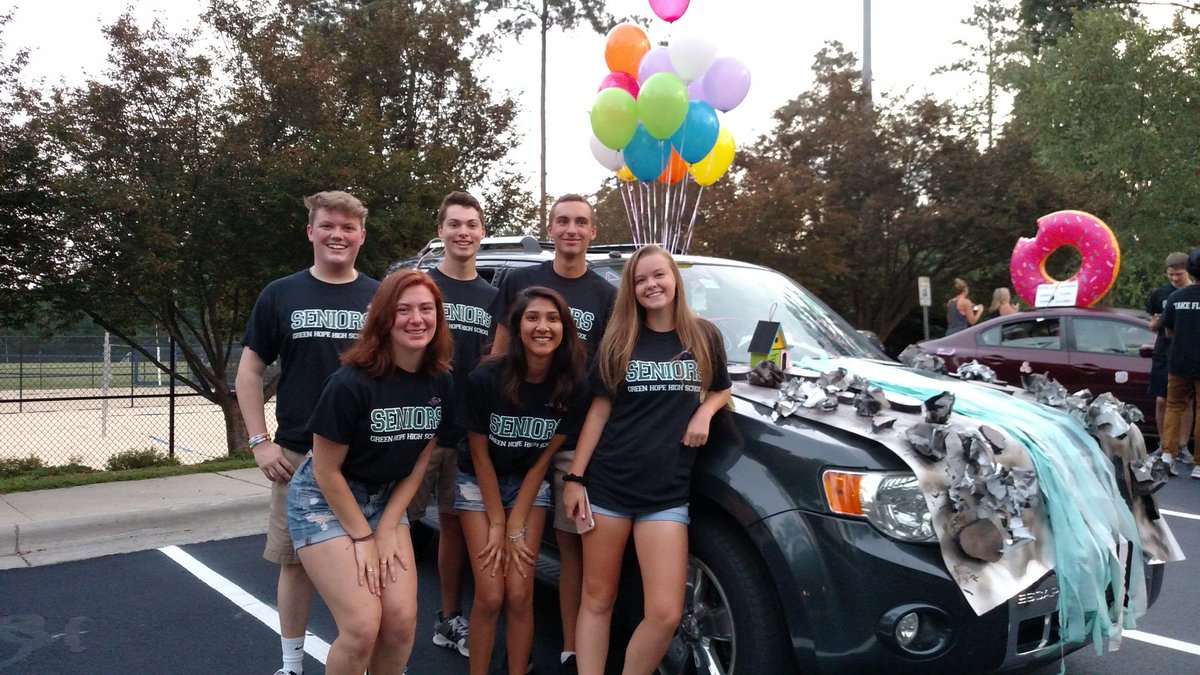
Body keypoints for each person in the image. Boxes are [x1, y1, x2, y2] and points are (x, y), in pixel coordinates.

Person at [563, 245, 732, 675]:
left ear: (675, 278)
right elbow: (599, 412)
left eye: (658, 275)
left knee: (665, 613)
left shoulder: (703, 337)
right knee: (598, 600)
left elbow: (721, 388)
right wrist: (576, 478)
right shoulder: (619, 342)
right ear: (631, 290)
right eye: (640, 280)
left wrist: (705, 411)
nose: (651, 285)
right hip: (608, 487)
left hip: (666, 494)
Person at [236, 190, 379, 675]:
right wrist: (260, 442)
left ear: (361, 235)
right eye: (328, 226)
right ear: (311, 231)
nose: (337, 235)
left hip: (367, 461)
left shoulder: (380, 297)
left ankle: (370, 657)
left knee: (371, 564)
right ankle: (292, 664)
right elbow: (249, 373)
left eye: (347, 227)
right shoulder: (281, 293)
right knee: (293, 566)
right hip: (297, 457)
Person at [287, 269, 454, 675]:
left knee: (398, 624)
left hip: (387, 500)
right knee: (362, 626)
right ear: (383, 318)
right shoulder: (350, 383)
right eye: (403, 310)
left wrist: (386, 526)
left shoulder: (441, 382)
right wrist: (363, 536)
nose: (417, 319)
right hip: (324, 501)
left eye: (426, 309)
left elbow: (417, 466)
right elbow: (326, 471)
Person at [489, 193, 616, 675]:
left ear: (592, 231)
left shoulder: (606, 295)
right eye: (562, 220)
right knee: (498, 540)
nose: (571, 229)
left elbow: (609, 366)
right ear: (550, 227)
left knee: (569, 544)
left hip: (569, 436)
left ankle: (569, 646)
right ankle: (495, 635)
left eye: (580, 222)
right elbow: (500, 353)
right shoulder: (522, 280)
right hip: (515, 429)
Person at [459, 287, 588, 675]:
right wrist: (498, 521)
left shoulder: (573, 384)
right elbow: (478, 455)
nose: (542, 327)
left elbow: (542, 462)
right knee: (490, 595)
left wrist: (515, 525)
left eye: (552, 319)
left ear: (565, 328)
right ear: (517, 327)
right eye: (532, 318)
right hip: (478, 485)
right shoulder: (487, 376)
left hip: (530, 485)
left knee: (519, 594)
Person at [405, 191, 498, 658]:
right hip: (415, 430)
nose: (464, 232)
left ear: (483, 232)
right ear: (440, 230)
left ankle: (448, 620)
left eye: (472, 224)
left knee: (453, 528)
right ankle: (389, 617)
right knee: (396, 525)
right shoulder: (419, 288)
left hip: (465, 435)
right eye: (454, 224)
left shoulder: (494, 297)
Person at [1148, 251, 1195, 472]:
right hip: (1169, 356)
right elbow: (1156, 326)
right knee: (1165, 402)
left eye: (1178, 274)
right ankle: (1168, 448)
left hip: (1181, 357)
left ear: (1189, 271)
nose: (1174, 278)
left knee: (1179, 405)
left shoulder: (1181, 297)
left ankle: (1176, 449)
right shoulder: (1164, 295)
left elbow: (1168, 331)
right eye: (1171, 275)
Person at [1162, 248, 1200, 480]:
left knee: (1174, 406)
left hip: (1179, 360)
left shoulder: (1176, 298)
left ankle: (1168, 453)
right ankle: (1199, 464)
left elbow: (1168, 331)